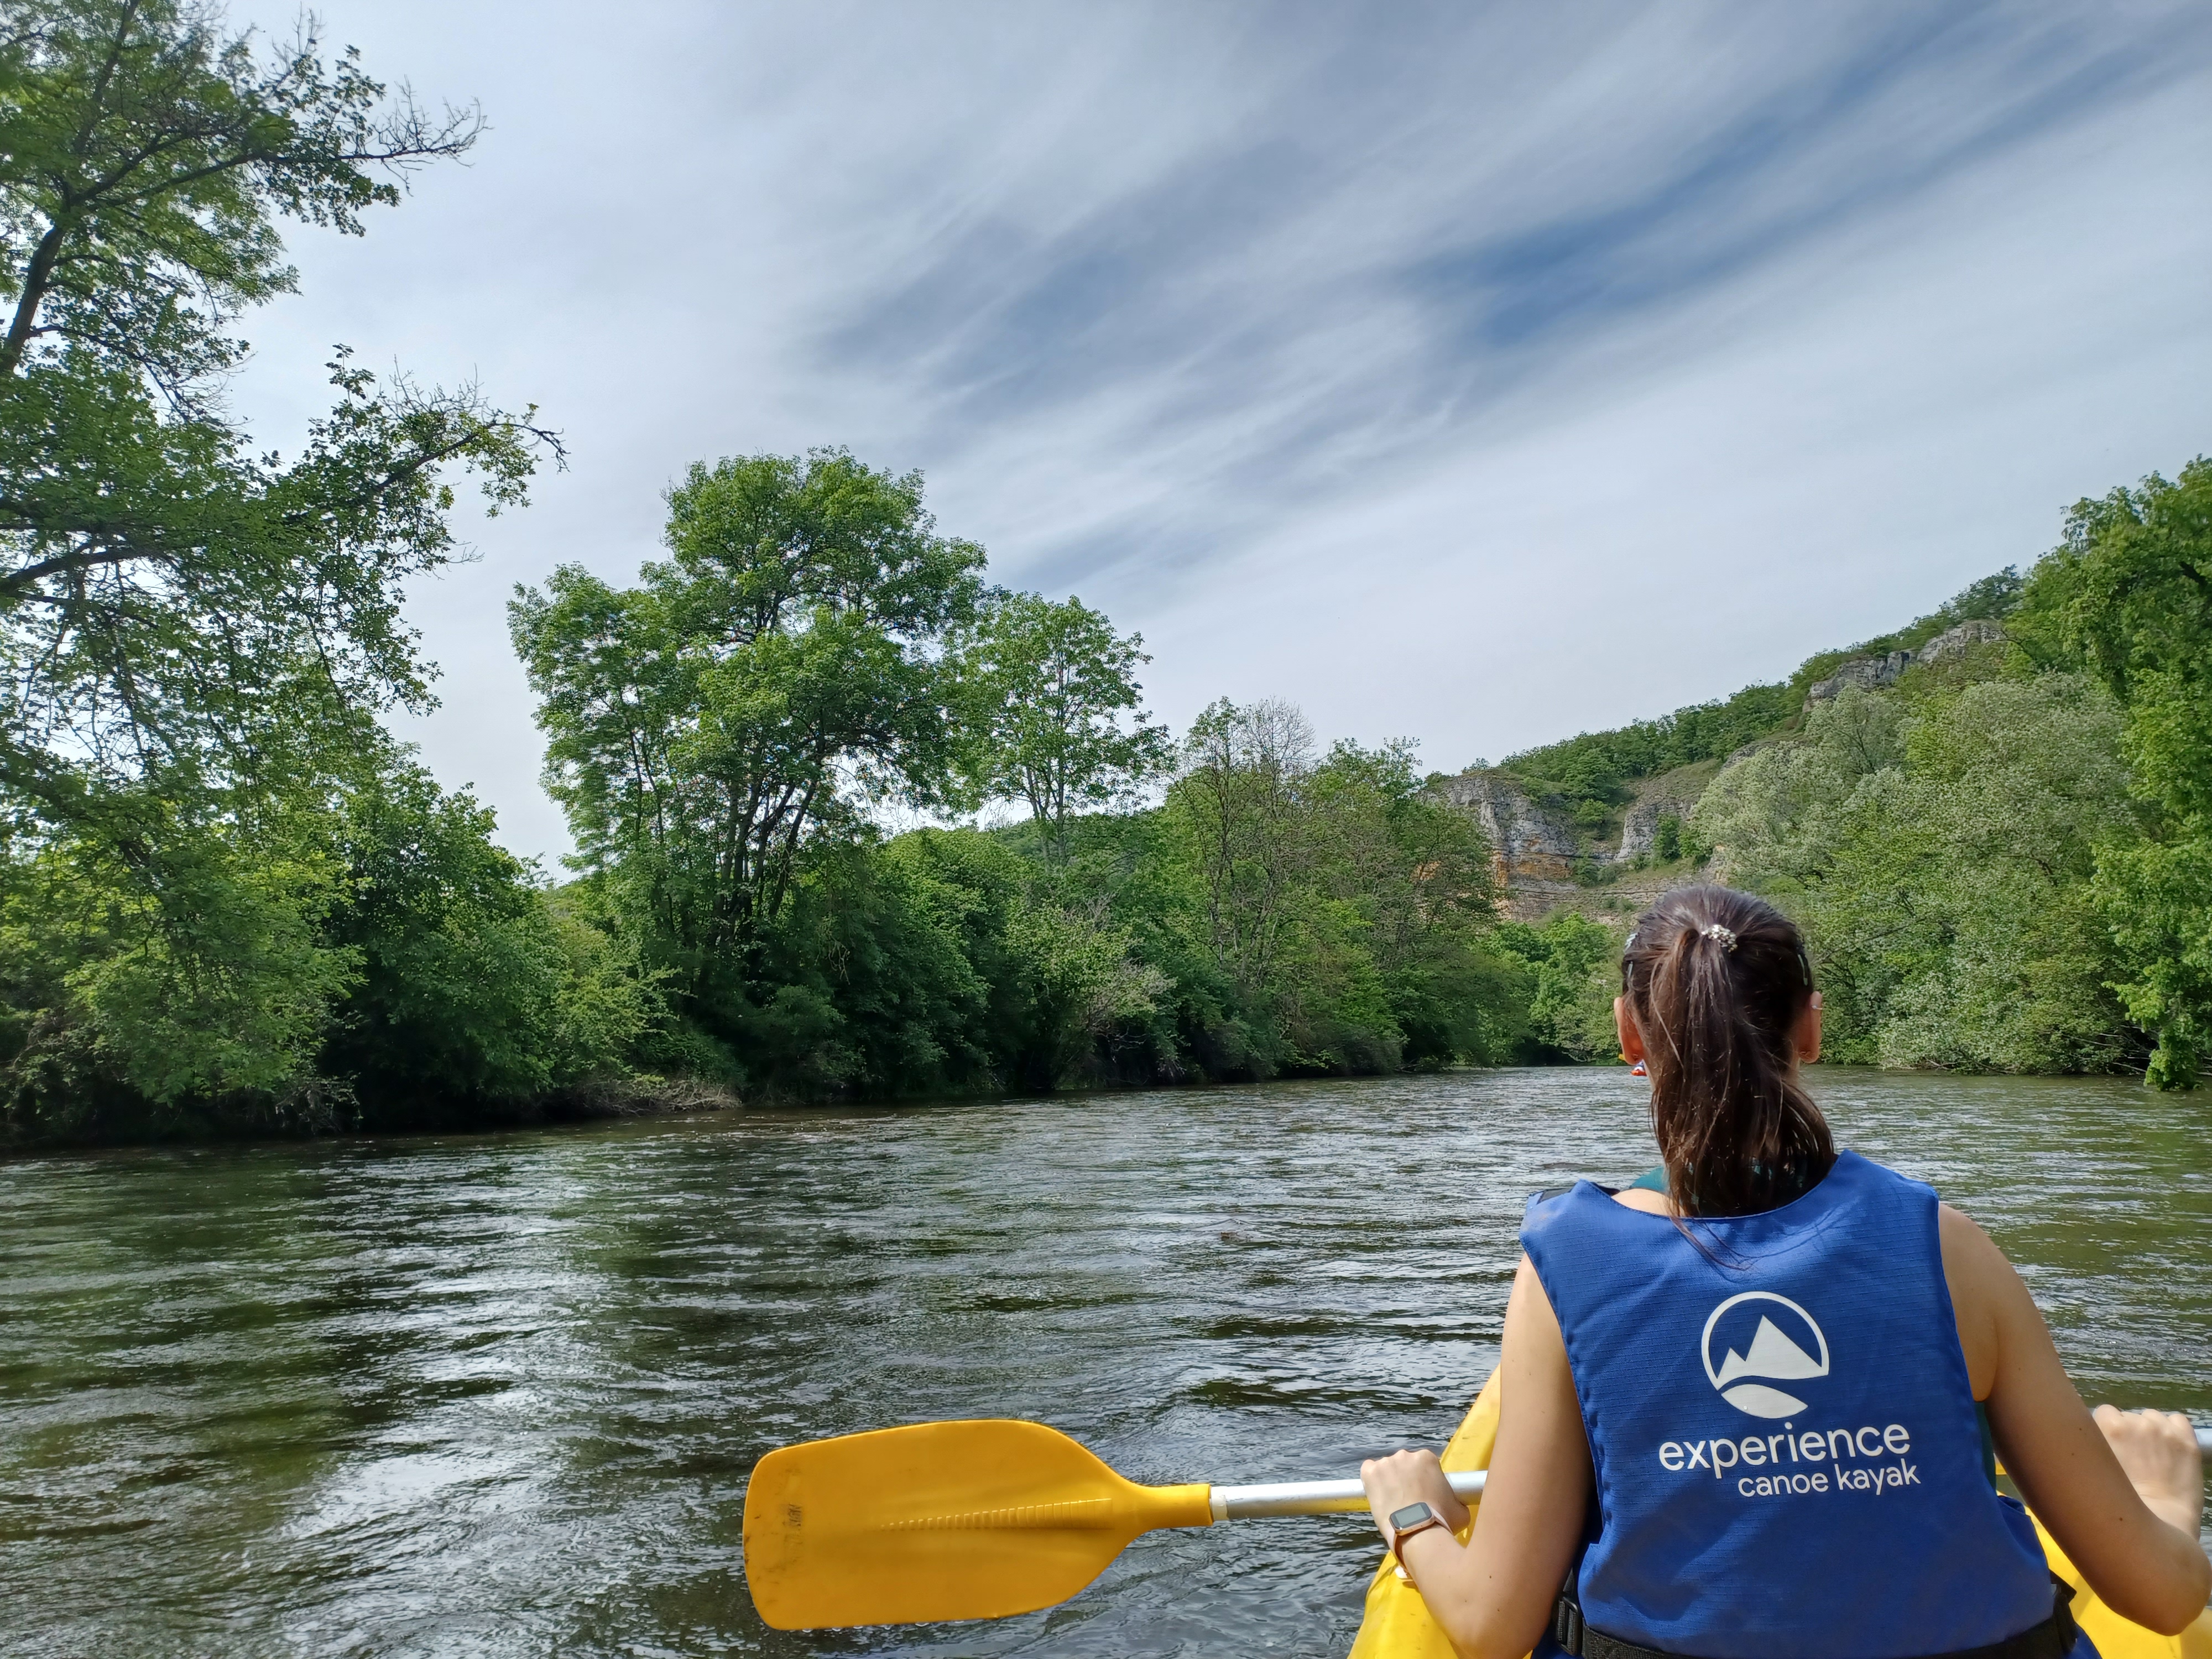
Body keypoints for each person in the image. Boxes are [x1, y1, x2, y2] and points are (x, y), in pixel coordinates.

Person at [1361, 885, 2208, 1659]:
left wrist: (1412, 1511)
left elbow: (1491, 1624)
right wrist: (2163, 1496)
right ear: (1811, 1027)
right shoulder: (1950, 1249)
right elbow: (2164, 1598)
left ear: (1629, 1035)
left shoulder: (1566, 1270)